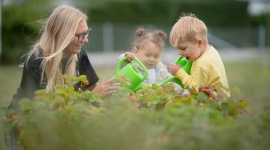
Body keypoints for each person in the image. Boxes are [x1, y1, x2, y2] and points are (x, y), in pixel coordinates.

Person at [5, 5, 120, 149]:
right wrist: (89, 98)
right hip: (23, 127)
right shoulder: (37, 61)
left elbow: (92, 89)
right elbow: (44, 114)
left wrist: (117, 80)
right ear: (62, 35)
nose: (86, 40)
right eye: (80, 35)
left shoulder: (78, 54)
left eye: (87, 33)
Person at [168, 13, 230, 98]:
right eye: (178, 49)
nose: (179, 53)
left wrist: (179, 72)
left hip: (214, 104)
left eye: (183, 48)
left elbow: (195, 87)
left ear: (199, 43)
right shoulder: (210, 51)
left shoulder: (203, 64)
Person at [117, 27, 189, 97]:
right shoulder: (133, 65)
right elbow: (121, 63)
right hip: (137, 101)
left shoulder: (161, 69)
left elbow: (171, 82)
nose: (152, 59)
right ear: (136, 51)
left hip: (154, 102)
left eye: (156, 56)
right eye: (147, 55)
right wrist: (127, 57)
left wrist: (183, 92)